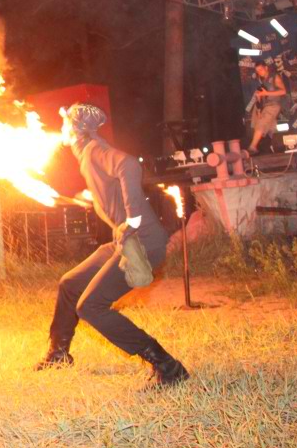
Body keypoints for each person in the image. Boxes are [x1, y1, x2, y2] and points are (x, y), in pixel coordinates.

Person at [34, 104, 189, 388]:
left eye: (65, 123)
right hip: (122, 242)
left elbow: (129, 165)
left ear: (76, 129)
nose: (61, 128)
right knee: (70, 283)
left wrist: (133, 218)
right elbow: (112, 191)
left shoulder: (94, 150)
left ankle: (168, 366)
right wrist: (92, 198)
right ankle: (58, 353)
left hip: (143, 243)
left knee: (91, 306)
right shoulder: (87, 154)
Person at [247, 61, 286, 154]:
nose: (259, 72)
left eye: (261, 69)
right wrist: (259, 108)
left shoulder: (274, 77)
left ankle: (252, 146)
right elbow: (260, 96)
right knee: (269, 127)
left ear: (266, 68)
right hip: (264, 106)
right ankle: (278, 147)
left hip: (273, 104)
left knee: (262, 123)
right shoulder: (260, 81)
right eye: (257, 71)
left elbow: (283, 91)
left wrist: (266, 93)